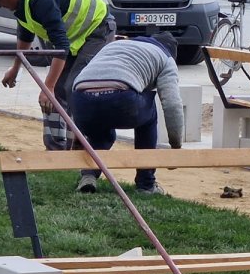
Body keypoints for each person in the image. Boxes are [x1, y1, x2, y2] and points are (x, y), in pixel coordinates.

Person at [0, 0, 115, 150]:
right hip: (72, 38)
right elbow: (25, 36)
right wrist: (15, 68)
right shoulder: (22, 4)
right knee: (59, 91)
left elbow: (61, 47)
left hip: (97, 29)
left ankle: (80, 147)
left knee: (76, 88)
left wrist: (48, 88)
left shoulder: (40, 1)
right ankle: (55, 150)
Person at [70, 33, 184, 195]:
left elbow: (90, 81)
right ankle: (146, 184)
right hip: (121, 98)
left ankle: (88, 175)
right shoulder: (165, 58)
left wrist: (78, 133)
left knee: (102, 135)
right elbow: (172, 104)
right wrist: (176, 146)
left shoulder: (114, 46)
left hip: (80, 100)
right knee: (150, 114)